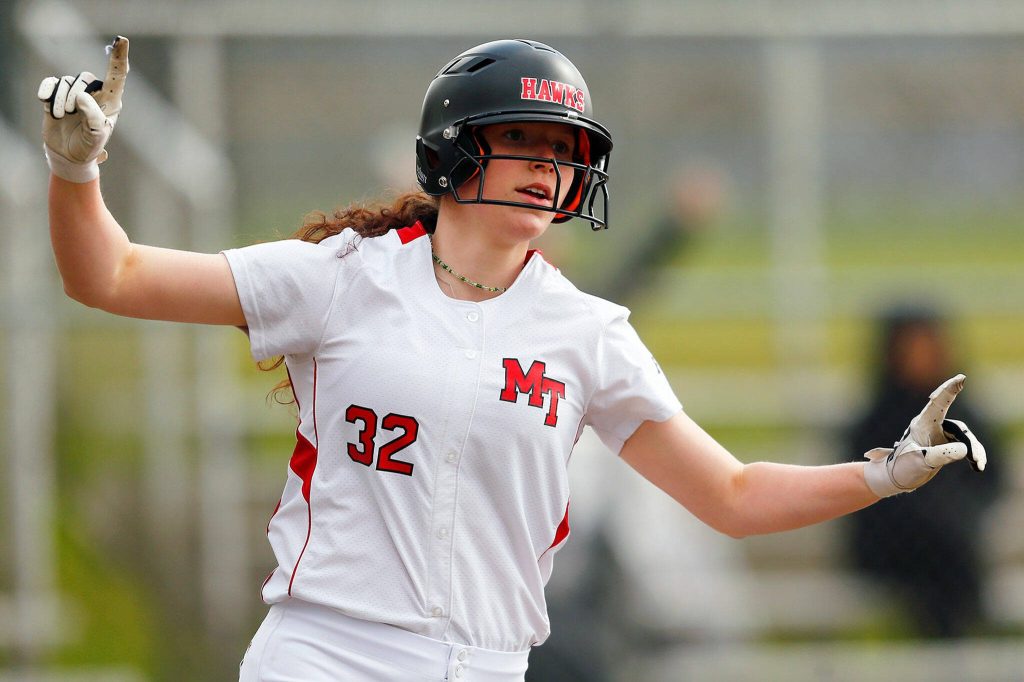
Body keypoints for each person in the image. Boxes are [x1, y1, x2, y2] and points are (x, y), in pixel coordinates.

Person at [38, 36, 987, 682]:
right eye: (523, 139)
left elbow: (732, 497)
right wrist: (77, 171)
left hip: (488, 664)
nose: (550, 164)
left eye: (566, 148)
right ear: (454, 152)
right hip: (327, 654)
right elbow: (110, 276)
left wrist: (880, 475)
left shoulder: (588, 331)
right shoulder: (341, 278)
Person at [842, 305, 1002, 638]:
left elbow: (991, 478)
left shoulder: (967, 418)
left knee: (942, 540)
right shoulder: (874, 421)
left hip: (950, 545)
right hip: (892, 547)